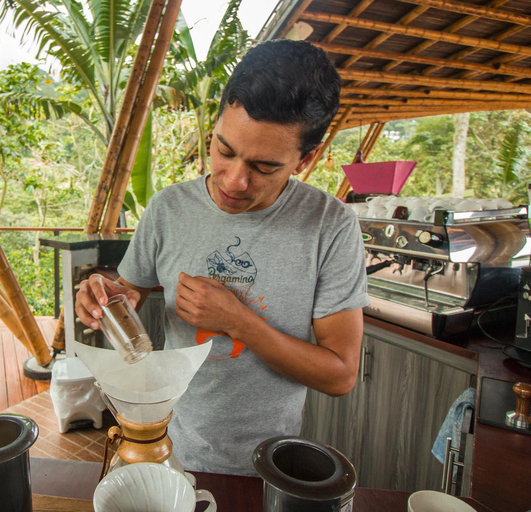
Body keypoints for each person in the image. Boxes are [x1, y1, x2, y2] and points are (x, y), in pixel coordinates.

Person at [75, 39, 369, 476]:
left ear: (305, 159)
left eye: (264, 167)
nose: (234, 181)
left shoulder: (331, 225)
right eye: (223, 150)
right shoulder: (168, 208)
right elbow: (130, 290)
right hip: (169, 448)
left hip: (270, 464)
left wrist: (239, 321)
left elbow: (340, 375)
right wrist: (106, 295)